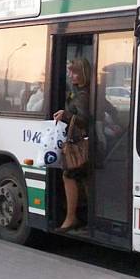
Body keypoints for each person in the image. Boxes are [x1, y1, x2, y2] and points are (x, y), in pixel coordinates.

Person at [52, 58, 91, 232]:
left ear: (83, 73)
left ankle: (71, 218)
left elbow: (83, 120)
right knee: (78, 178)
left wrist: (66, 115)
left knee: (69, 175)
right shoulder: (77, 91)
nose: (71, 75)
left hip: (79, 144)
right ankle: (78, 216)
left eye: (74, 72)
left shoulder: (83, 94)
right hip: (79, 142)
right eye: (70, 72)